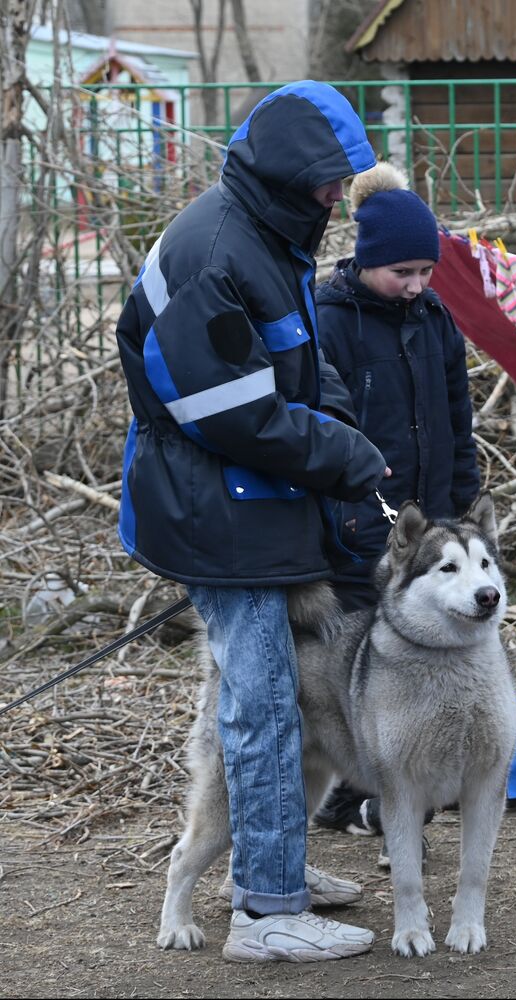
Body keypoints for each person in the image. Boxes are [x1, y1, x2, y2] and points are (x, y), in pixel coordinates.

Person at [115, 81, 387, 963]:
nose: (338, 196)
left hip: (246, 498)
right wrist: (342, 455)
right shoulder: (219, 252)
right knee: (264, 705)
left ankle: (277, 867)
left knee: (272, 701)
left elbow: (299, 370)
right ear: (287, 173)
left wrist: (342, 425)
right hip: (210, 503)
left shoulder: (270, 235)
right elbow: (234, 413)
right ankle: (266, 913)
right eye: (328, 181)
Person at [308, 162, 481, 841]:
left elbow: (455, 415)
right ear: (368, 260)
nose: (414, 286)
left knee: (421, 658)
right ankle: (350, 793)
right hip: (358, 526)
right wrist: (350, 505)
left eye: (424, 273)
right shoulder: (330, 319)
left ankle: (397, 792)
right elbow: (324, 421)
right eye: (400, 273)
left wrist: (460, 505)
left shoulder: (434, 318)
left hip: (429, 522)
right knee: (359, 663)